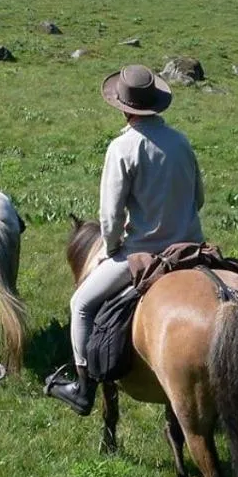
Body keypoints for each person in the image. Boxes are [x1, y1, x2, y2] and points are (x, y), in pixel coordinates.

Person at [46, 64, 205, 415]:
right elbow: (199, 200)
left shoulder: (122, 147)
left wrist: (114, 248)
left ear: (122, 106)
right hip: (192, 248)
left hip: (144, 250)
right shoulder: (181, 141)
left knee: (81, 305)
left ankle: (83, 388)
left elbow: (110, 216)